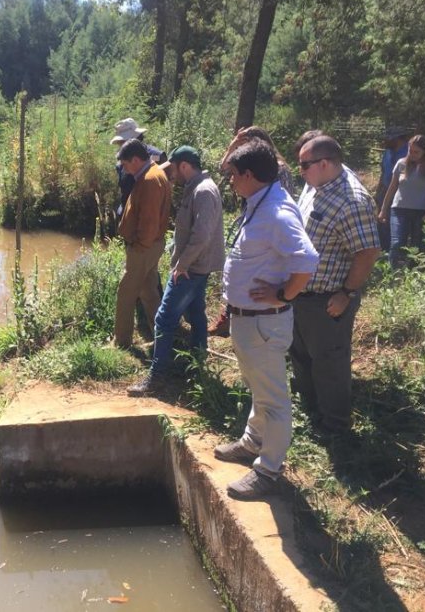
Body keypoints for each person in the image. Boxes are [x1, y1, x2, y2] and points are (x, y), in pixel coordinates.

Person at [215, 140, 319, 500]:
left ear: (248, 175)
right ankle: (251, 443)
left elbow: (306, 261)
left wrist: (284, 294)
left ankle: (268, 470)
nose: (229, 182)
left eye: (232, 176)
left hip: (263, 321)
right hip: (252, 321)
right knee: (261, 388)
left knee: (273, 398)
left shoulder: (276, 211)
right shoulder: (261, 201)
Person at [291, 135, 380, 433]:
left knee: (329, 363)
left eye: (304, 165)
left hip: (327, 299)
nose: (299, 170)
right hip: (301, 294)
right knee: (302, 356)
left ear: (324, 163)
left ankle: (335, 428)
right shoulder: (315, 183)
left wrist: (346, 293)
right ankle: (312, 412)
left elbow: (367, 252)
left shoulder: (351, 200)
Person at [127, 146, 224, 396]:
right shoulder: (198, 188)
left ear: (184, 166)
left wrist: (182, 264)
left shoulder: (203, 191)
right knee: (196, 314)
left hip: (189, 270)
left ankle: (157, 379)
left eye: (173, 168)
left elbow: (201, 235)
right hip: (195, 268)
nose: (171, 174)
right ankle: (197, 365)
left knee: (163, 319)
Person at [208, 125, 293, 338]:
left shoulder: (278, 169)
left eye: (245, 146)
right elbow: (224, 168)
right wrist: (233, 145)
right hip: (253, 217)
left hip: (267, 223)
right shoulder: (255, 166)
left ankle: (248, 317)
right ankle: (231, 315)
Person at [114, 138, 172, 349]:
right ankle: (163, 336)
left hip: (144, 247)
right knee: (149, 292)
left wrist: (138, 247)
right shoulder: (154, 172)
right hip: (152, 245)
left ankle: (121, 342)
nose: (125, 170)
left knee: (126, 292)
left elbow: (148, 221)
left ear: (136, 160)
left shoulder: (148, 180)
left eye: (127, 164)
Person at [378, 134, 425, 269]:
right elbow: (391, 188)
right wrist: (383, 210)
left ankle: (414, 274)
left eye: (416, 152)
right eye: (410, 151)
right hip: (399, 209)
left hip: (421, 211)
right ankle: (392, 273)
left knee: (417, 246)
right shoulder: (401, 163)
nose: (412, 154)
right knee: (397, 243)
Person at [110, 118, 167, 215]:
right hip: (127, 210)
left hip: (147, 213)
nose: (121, 145)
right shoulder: (121, 160)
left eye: (123, 141)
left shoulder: (156, 156)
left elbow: (166, 176)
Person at [375, 126, 412, 252]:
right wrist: (379, 190)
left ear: (396, 139)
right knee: (382, 220)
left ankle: (397, 252)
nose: (385, 141)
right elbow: (384, 171)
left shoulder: (409, 153)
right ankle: (384, 250)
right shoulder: (388, 151)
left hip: (401, 193)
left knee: (396, 223)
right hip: (385, 189)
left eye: (388, 138)